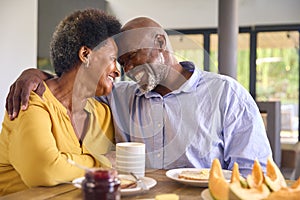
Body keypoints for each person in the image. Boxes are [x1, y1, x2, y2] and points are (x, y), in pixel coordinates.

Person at [5, 17, 272, 178]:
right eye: (122, 64)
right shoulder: (119, 97)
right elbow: (76, 83)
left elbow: (253, 171)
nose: (128, 70)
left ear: (159, 43)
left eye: (132, 57)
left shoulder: (226, 94)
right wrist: (35, 74)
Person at [0, 8, 121, 196]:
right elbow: (44, 170)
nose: (118, 71)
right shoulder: (30, 100)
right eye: (113, 59)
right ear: (86, 55)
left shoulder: (103, 114)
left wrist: (68, 162)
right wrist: (103, 162)